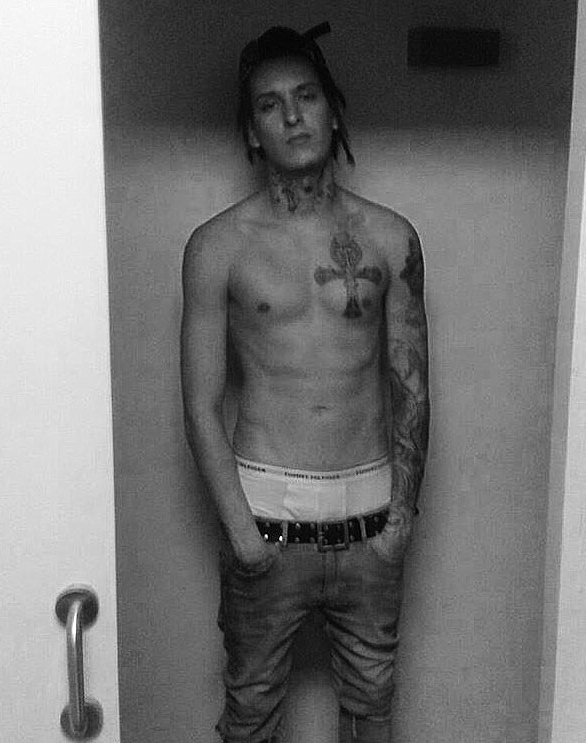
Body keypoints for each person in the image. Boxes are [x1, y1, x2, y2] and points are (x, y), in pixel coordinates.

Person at [180, 23, 429, 743]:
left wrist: (400, 523)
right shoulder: (217, 246)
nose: (292, 116)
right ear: (251, 132)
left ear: (333, 111)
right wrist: (241, 533)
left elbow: (412, 386)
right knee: (251, 714)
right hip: (264, 518)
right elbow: (199, 404)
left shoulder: (391, 238)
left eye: (307, 96)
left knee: (372, 712)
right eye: (269, 105)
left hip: (372, 520)